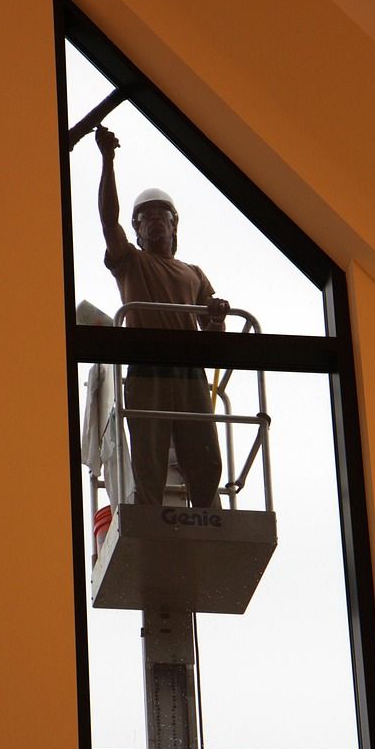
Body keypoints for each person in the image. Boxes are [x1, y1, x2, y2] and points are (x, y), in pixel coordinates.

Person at [95, 124, 229, 508]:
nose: (154, 220)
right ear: (136, 231)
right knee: (149, 457)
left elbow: (213, 335)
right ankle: (152, 513)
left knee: (204, 458)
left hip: (188, 373)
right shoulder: (131, 263)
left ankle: (208, 515)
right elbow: (108, 221)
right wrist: (107, 160)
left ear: (174, 226)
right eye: (145, 217)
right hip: (147, 369)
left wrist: (217, 314)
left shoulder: (194, 273)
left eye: (162, 215)